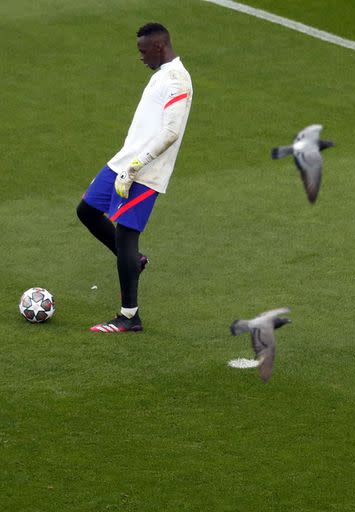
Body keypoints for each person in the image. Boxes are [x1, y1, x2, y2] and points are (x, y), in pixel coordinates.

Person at [76, 22, 193, 332]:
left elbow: (171, 132)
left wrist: (137, 166)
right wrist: (127, 163)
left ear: (159, 47)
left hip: (145, 171)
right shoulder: (161, 75)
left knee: (127, 234)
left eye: (143, 51)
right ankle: (134, 262)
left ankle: (129, 316)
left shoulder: (178, 81)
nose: (140, 57)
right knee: (86, 210)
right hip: (124, 162)